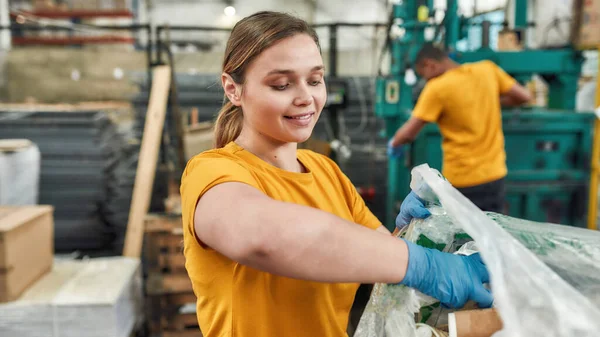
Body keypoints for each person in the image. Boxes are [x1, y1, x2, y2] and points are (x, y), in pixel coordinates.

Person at [180, 12, 492, 337]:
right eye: (281, 84)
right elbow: (261, 238)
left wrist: (407, 233)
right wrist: (421, 263)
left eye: (315, 80)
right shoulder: (211, 172)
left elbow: (377, 259)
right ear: (233, 89)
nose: (306, 98)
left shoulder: (325, 170)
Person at [388, 43, 532, 213]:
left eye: (423, 74)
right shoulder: (488, 70)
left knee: (463, 236)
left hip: (463, 180)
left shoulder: (437, 88)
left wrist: (394, 143)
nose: (425, 79)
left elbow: (409, 132)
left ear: (430, 64)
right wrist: (491, 102)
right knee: (492, 232)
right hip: (495, 174)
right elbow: (525, 96)